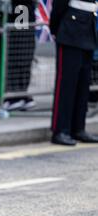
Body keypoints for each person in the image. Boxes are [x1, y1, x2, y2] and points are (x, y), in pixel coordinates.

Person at [50, 0, 98, 145]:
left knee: (83, 84)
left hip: (87, 28)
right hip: (70, 29)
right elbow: (60, 5)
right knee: (66, 84)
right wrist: (55, 28)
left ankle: (78, 128)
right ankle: (60, 130)